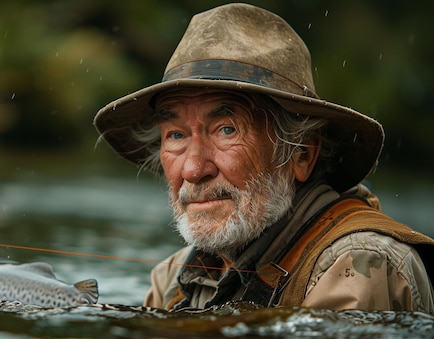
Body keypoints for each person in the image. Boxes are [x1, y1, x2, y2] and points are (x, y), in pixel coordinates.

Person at [93, 3, 434, 312]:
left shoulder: (360, 266)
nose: (194, 169)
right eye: (176, 136)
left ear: (300, 154)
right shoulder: (171, 280)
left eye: (226, 130)